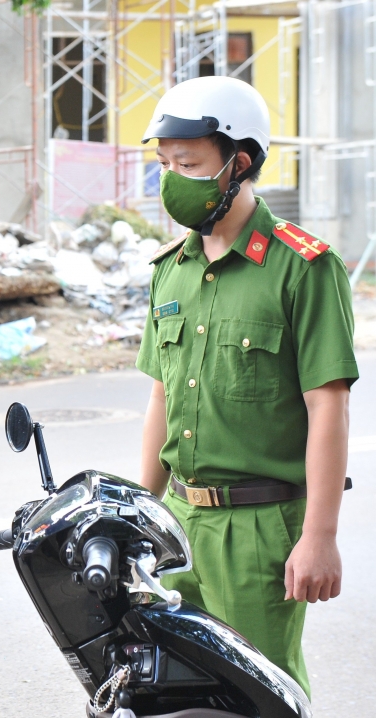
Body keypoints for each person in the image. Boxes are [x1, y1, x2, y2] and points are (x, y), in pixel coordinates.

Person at [136, 76, 357, 695]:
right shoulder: (171, 270)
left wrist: (320, 536)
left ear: (240, 161)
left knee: (262, 693)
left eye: (188, 163)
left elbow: (328, 407)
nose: (171, 178)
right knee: (173, 688)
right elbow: (161, 396)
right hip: (178, 519)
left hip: (259, 525)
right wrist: (141, 513)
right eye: (163, 163)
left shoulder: (304, 268)